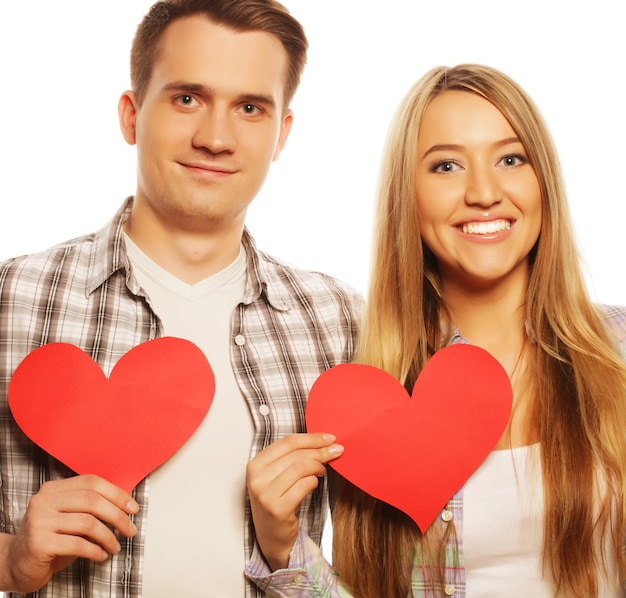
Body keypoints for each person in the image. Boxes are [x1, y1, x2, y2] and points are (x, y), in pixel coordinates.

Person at [0, 1, 362, 596]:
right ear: (131, 114)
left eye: (249, 108)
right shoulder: (13, 301)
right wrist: (12, 559)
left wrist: (288, 555)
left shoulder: (342, 324)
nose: (215, 137)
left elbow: (385, 570)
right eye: (187, 98)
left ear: (282, 135)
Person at [245, 64, 626, 597]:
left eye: (511, 158)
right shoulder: (369, 394)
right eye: (446, 166)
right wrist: (284, 550)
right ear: (410, 196)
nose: (484, 192)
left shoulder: (619, 355)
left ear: (544, 180)